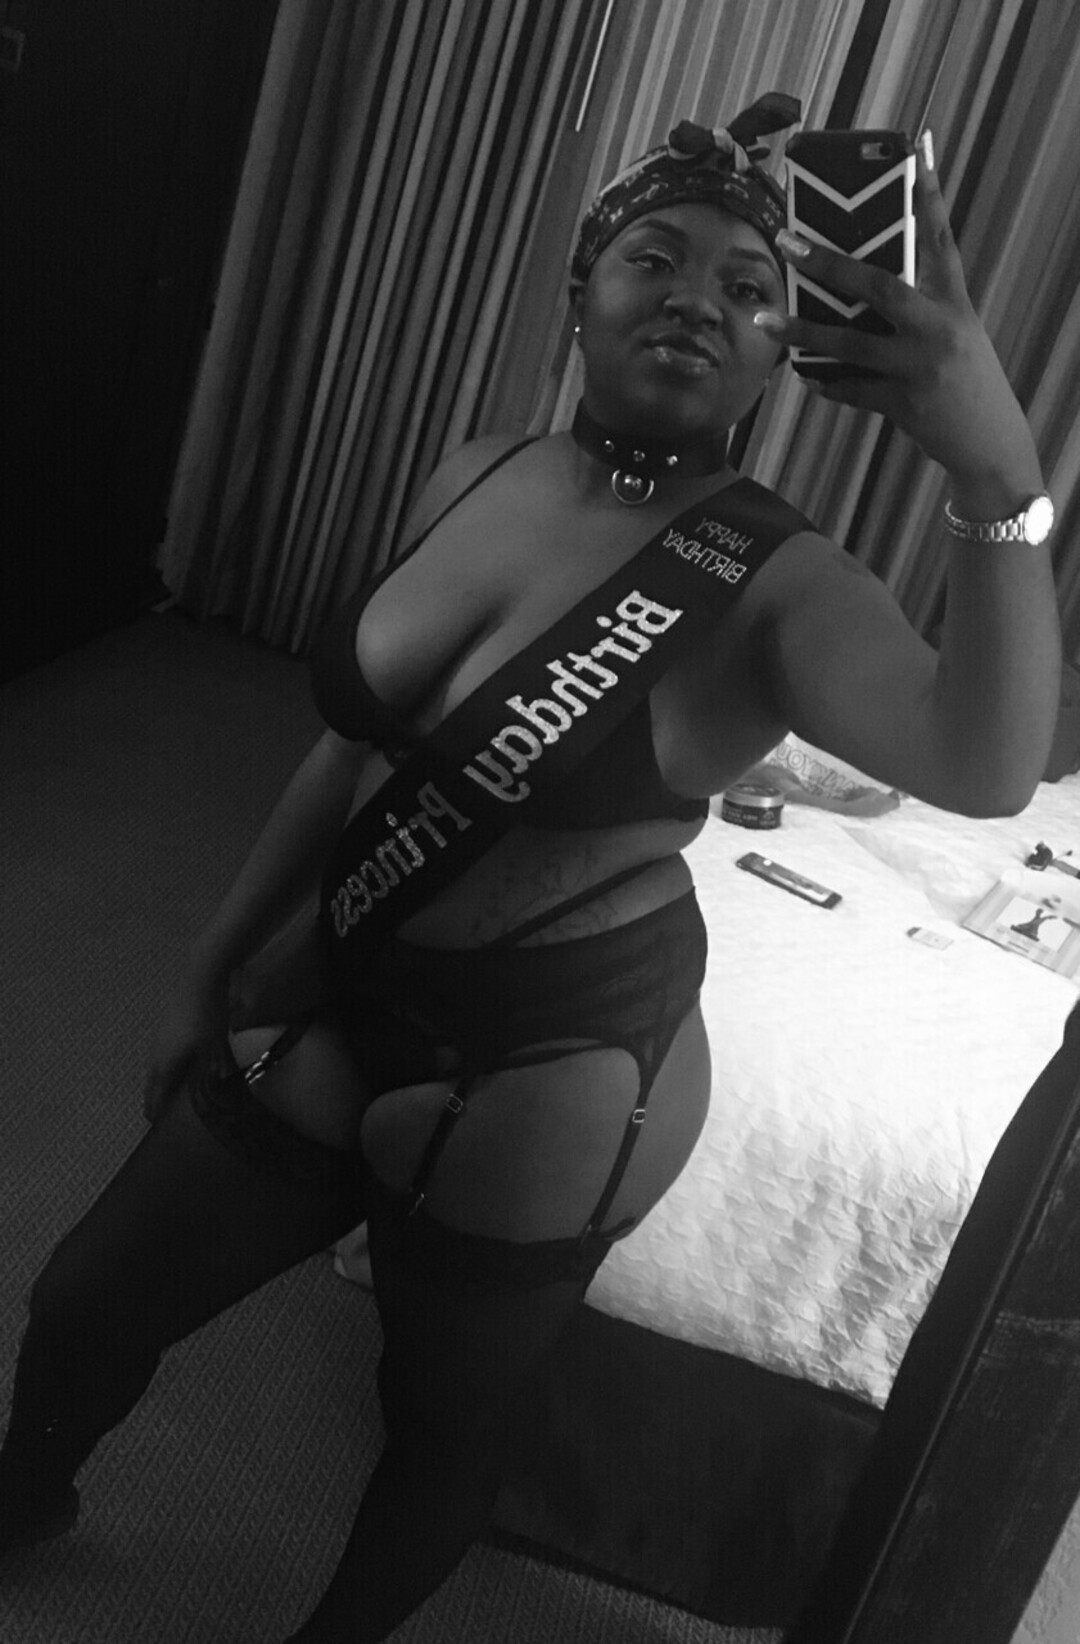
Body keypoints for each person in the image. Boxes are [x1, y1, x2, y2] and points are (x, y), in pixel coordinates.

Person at [0, 94, 1062, 1644]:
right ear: (581, 290)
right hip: (359, 981)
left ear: (784, 351)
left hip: (563, 1053)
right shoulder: (475, 471)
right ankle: (25, 1493)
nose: (698, 298)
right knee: (89, 1296)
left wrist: (994, 469)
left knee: (440, 1421)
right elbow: (355, 752)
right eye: (654, 257)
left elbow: (985, 769)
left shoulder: (782, 581)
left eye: (749, 286)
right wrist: (210, 965)